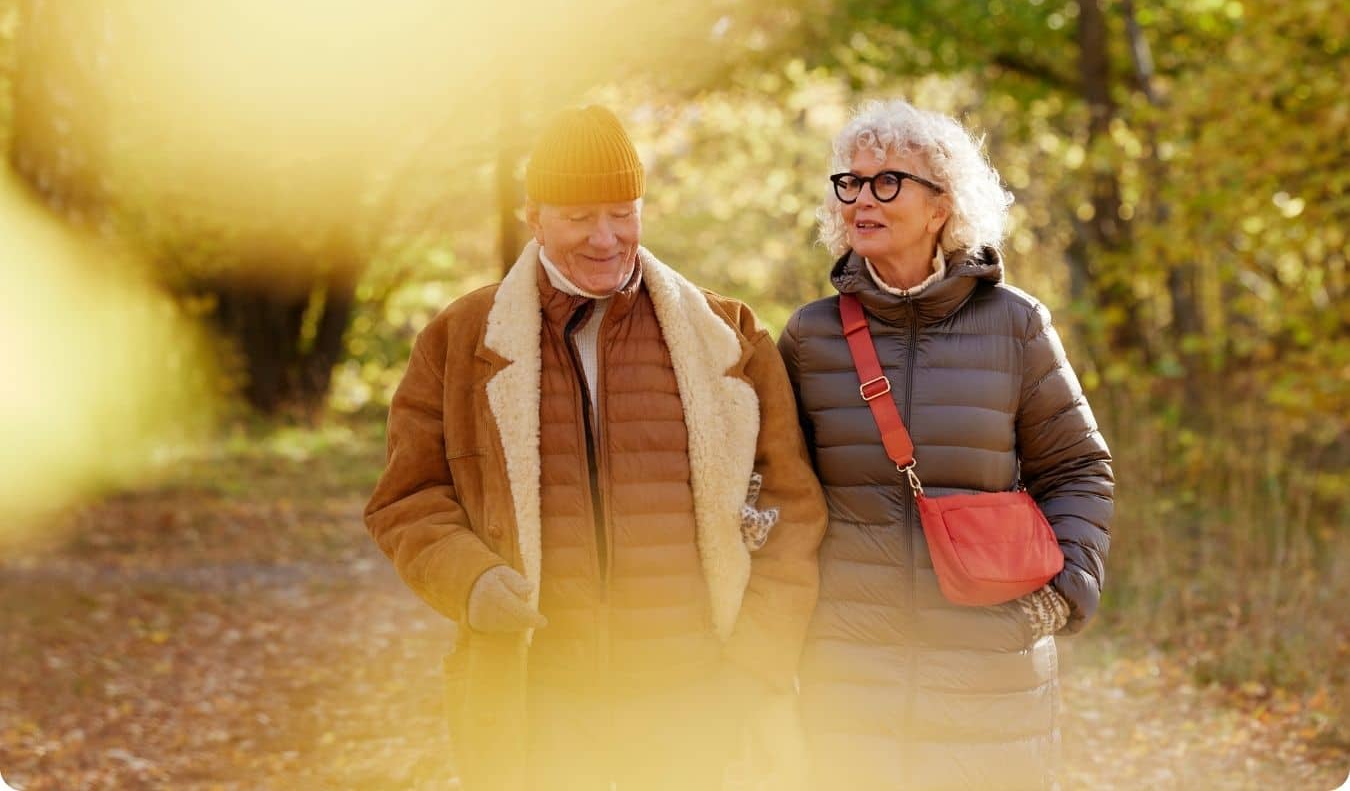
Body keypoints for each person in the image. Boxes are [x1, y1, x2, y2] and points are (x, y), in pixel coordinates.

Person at [365, 105, 827, 790]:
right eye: (579, 216)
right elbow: (406, 498)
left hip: (694, 701)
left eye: (622, 212)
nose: (605, 237)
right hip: (540, 702)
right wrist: (472, 580)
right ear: (535, 216)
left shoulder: (728, 337)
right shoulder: (460, 339)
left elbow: (792, 509)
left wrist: (751, 670)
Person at [778, 99, 1114, 789]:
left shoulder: (1015, 324)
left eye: (887, 182)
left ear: (942, 206)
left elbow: (1078, 466)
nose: (861, 199)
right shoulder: (810, 337)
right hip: (849, 668)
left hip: (988, 666)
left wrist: (1061, 594)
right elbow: (777, 480)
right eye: (851, 181)